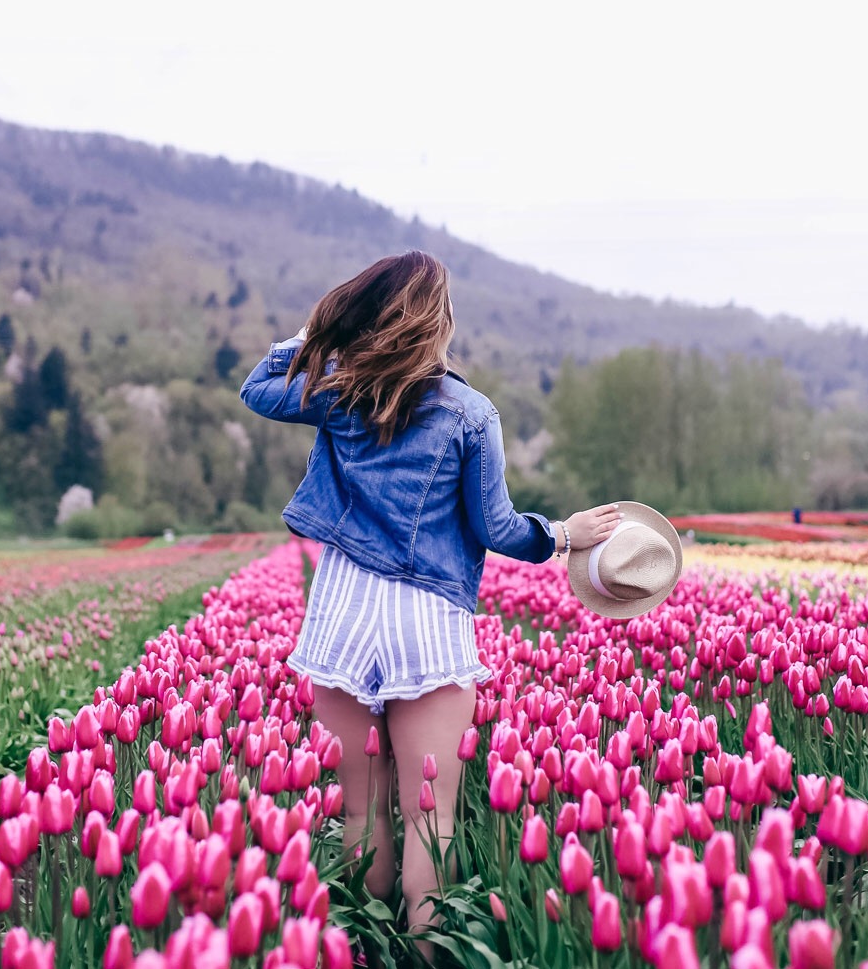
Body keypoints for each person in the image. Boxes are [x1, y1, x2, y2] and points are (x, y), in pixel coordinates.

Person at [240, 251, 620, 955]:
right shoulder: (472, 414)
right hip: (429, 618)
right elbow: (496, 528)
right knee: (429, 812)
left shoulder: (340, 391)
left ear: (372, 317)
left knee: (360, 804)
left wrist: (319, 331)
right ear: (441, 322)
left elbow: (257, 388)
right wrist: (564, 535)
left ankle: (365, 947)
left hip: (344, 608)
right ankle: (424, 950)